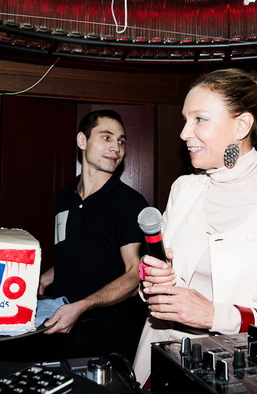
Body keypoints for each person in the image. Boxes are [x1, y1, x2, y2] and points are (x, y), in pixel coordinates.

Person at [133, 69, 257, 384]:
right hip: (159, 362)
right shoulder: (183, 190)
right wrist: (151, 279)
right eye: (185, 120)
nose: (184, 133)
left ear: (241, 125)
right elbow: (153, 289)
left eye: (199, 119)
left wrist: (217, 316)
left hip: (242, 373)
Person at [37, 109, 149, 363]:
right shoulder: (63, 198)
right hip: (57, 329)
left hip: (106, 336)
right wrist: (48, 275)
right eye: (106, 137)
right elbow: (80, 248)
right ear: (82, 140)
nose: (116, 148)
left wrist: (83, 305)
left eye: (121, 141)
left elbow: (134, 273)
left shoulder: (130, 203)